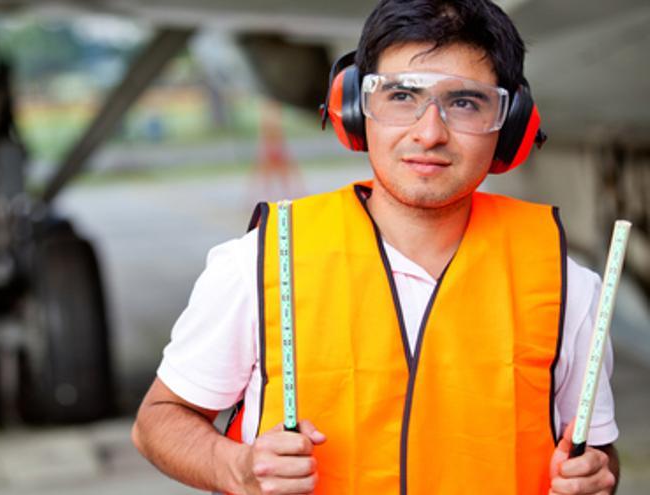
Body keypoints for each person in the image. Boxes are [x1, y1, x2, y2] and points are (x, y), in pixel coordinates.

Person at [132, 1, 620, 494]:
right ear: (353, 110)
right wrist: (234, 466)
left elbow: (597, 453)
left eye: (466, 103)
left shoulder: (564, 285)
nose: (429, 133)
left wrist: (595, 478)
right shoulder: (262, 263)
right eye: (402, 95)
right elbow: (159, 419)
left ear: (510, 124)